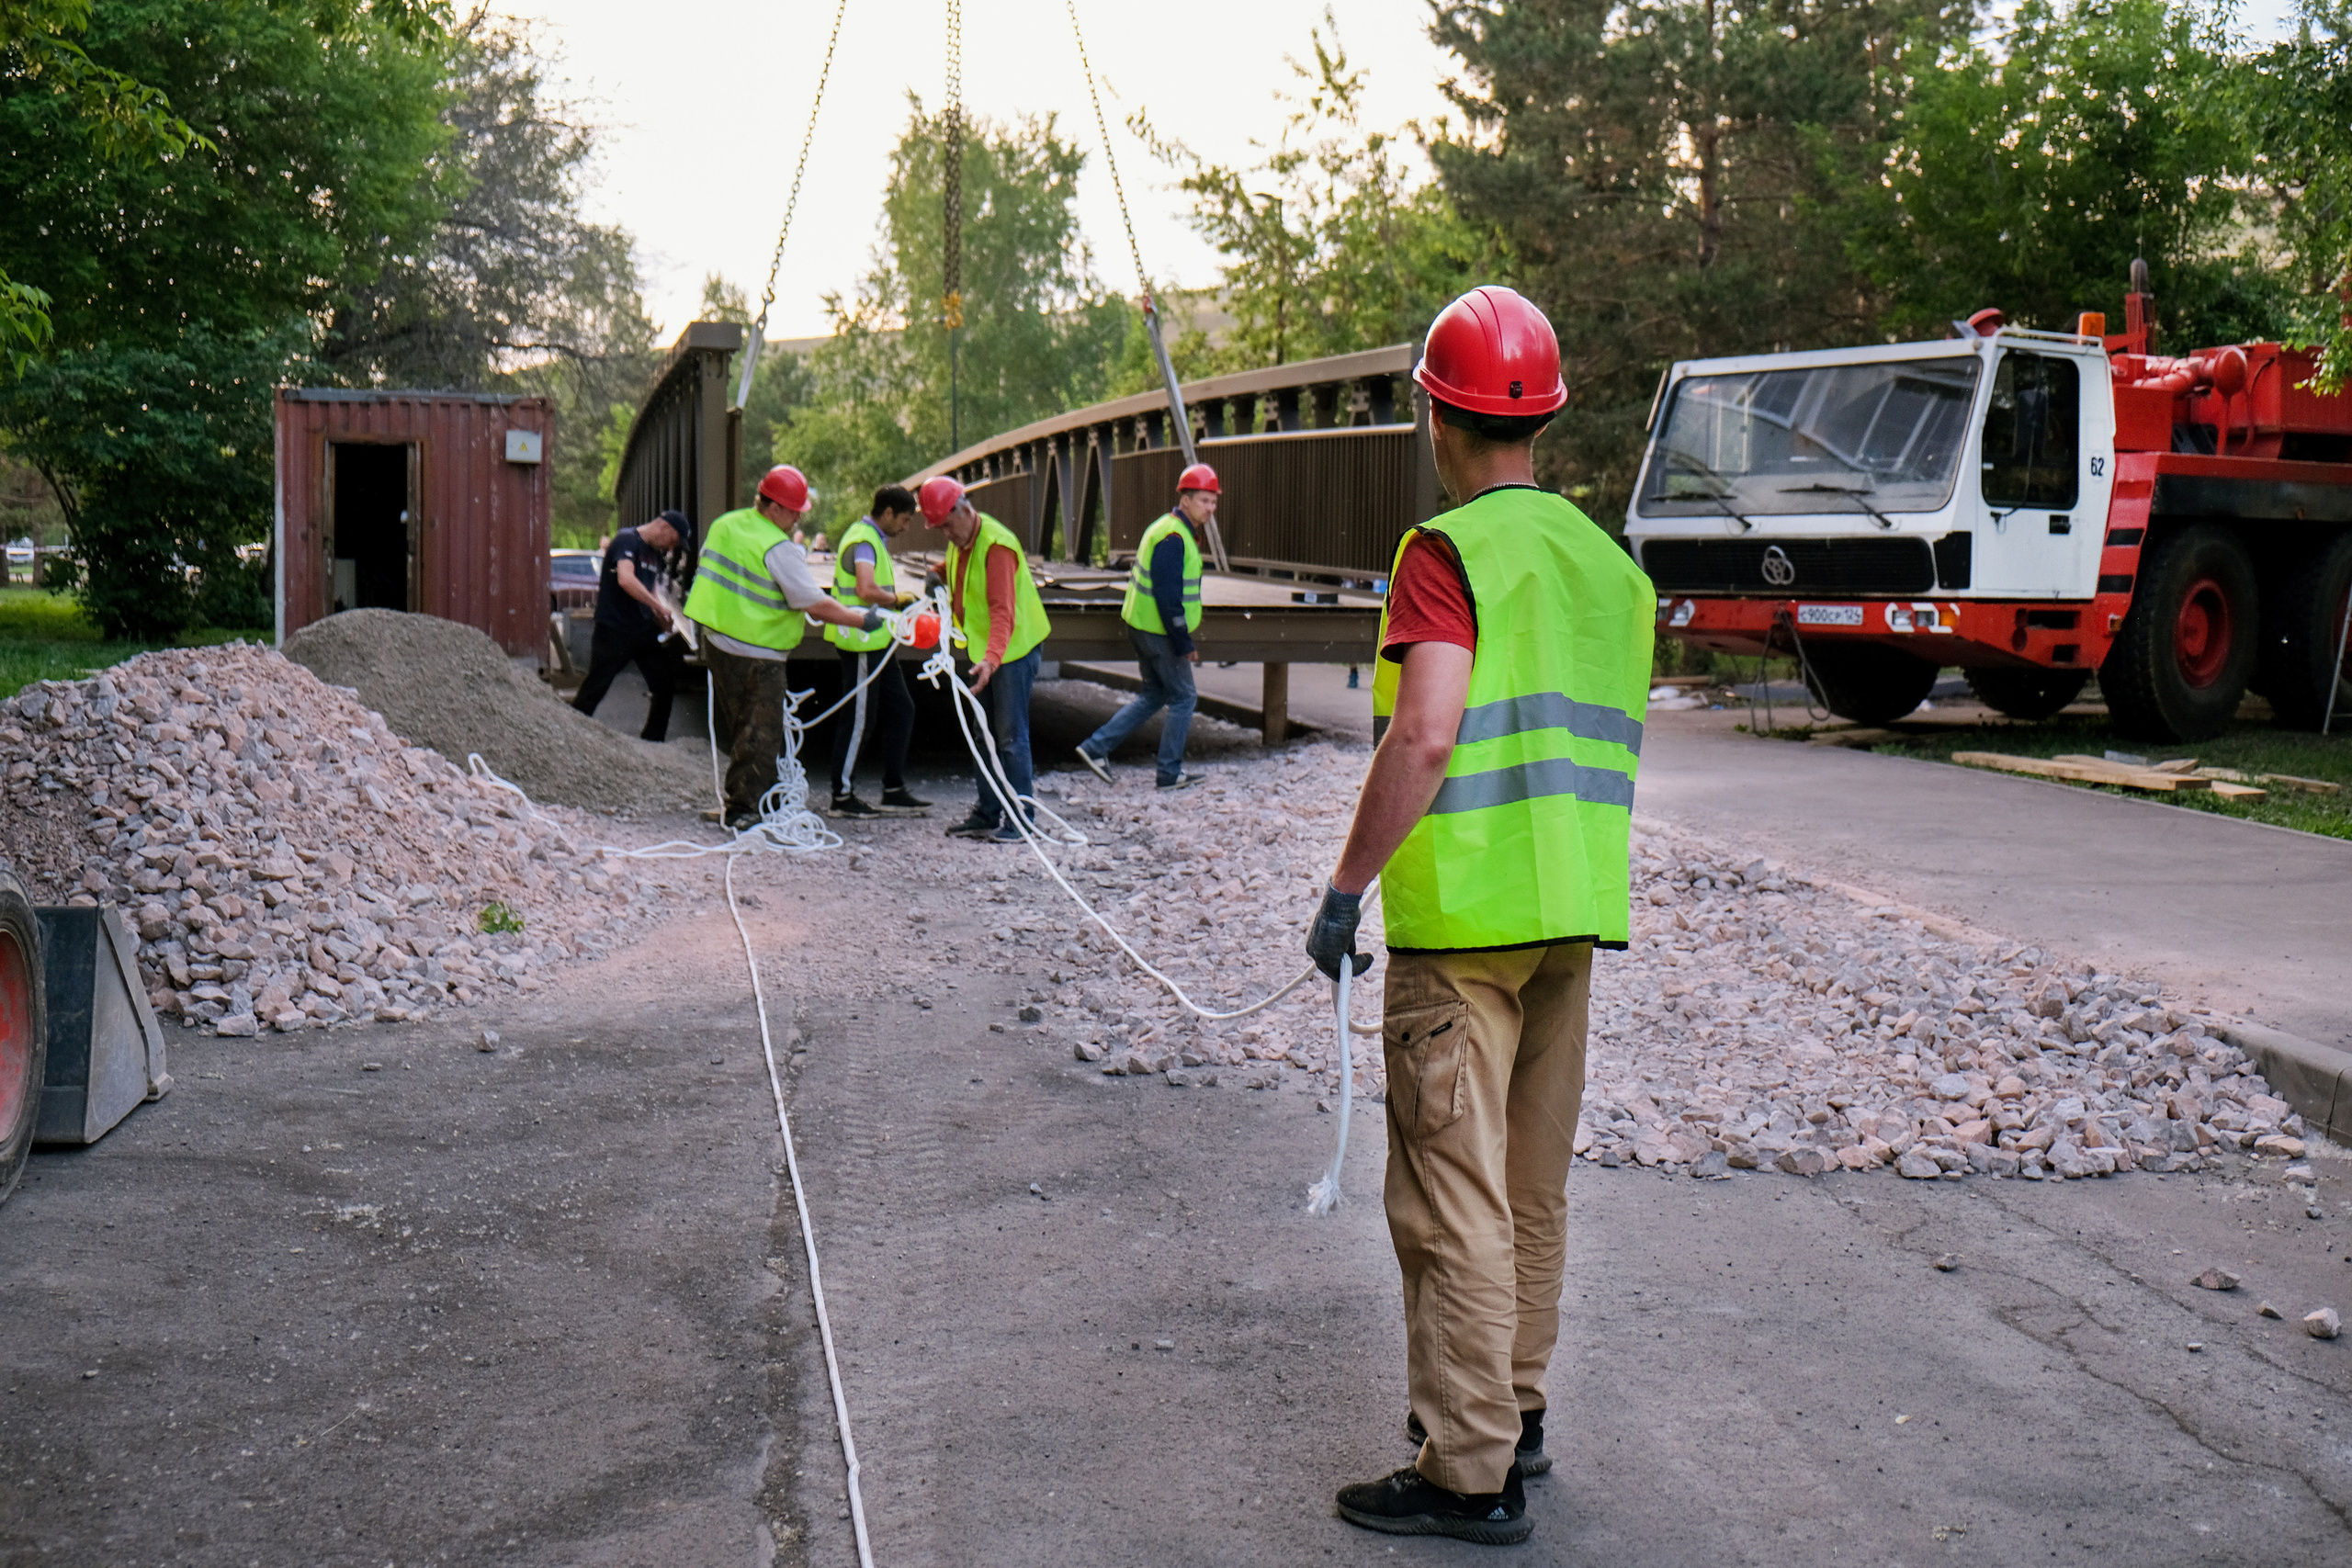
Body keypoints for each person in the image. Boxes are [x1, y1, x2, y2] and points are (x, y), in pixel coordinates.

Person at [1304, 287, 1653, 1547]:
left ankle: (1467, 1470)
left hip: (1462, 928)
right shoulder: (1608, 568)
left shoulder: (1446, 553)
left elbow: (1429, 726)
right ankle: (1515, 1407)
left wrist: (1347, 886)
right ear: (1543, 414)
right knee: (1528, 1182)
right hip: (1571, 921)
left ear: (1437, 413)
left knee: (1451, 1196)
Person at [684, 465, 888, 830]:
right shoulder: (779, 548)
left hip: (717, 642)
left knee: (740, 728)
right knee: (760, 734)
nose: (797, 518)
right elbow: (813, 603)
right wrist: (861, 620)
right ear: (774, 506)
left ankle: (766, 798)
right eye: (794, 510)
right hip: (759, 652)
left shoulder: (725, 524)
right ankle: (745, 809)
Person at [918, 475, 1053, 843]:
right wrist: (935, 575)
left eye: (947, 524)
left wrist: (991, 661)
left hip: (1013, 650)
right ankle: (987, 812)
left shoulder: (997, 547)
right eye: (939, 527)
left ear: (965, 509)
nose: (945, 533)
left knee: (1010, 736)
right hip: (986, 651)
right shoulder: (962, 539)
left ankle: (1022, 819)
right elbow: (957, 571)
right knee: (983, 734)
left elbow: (1003, 612)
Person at [1072, 463, 1216, 790]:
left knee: (1155, 694)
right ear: (1186, 500)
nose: (1211, 509)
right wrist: (1183, 641)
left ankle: (1096, 747)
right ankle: (1168, 773)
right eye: (1205, 501)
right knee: (1184, 698)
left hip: (1144, 627)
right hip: (1160, 632)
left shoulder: (1168, 528)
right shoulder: (1173, 537)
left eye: (1213, 502)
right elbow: (1168, 597)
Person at [825, 485, 930, 820]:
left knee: (902, 709)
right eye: (904, 519)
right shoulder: (865, 541)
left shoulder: (872, 540)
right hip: (860, 641)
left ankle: (894, 790)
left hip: (877, 642)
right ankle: (842, 797)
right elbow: (865, 589)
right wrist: (899, 599)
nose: (906, 526)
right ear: (886, 513)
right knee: (858, 721)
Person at [571, 508, 692, 742]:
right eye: (673, 541)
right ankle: (572, 730)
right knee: (597, 685)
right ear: (664, 528)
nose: (671, 548)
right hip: (615, 629)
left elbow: (653, 589)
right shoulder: (627, 540)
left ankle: (653, 740)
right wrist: (656, 606)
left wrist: (663, 618)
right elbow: (626, 579)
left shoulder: (655, 554)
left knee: (664, 685)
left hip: (643, 630)